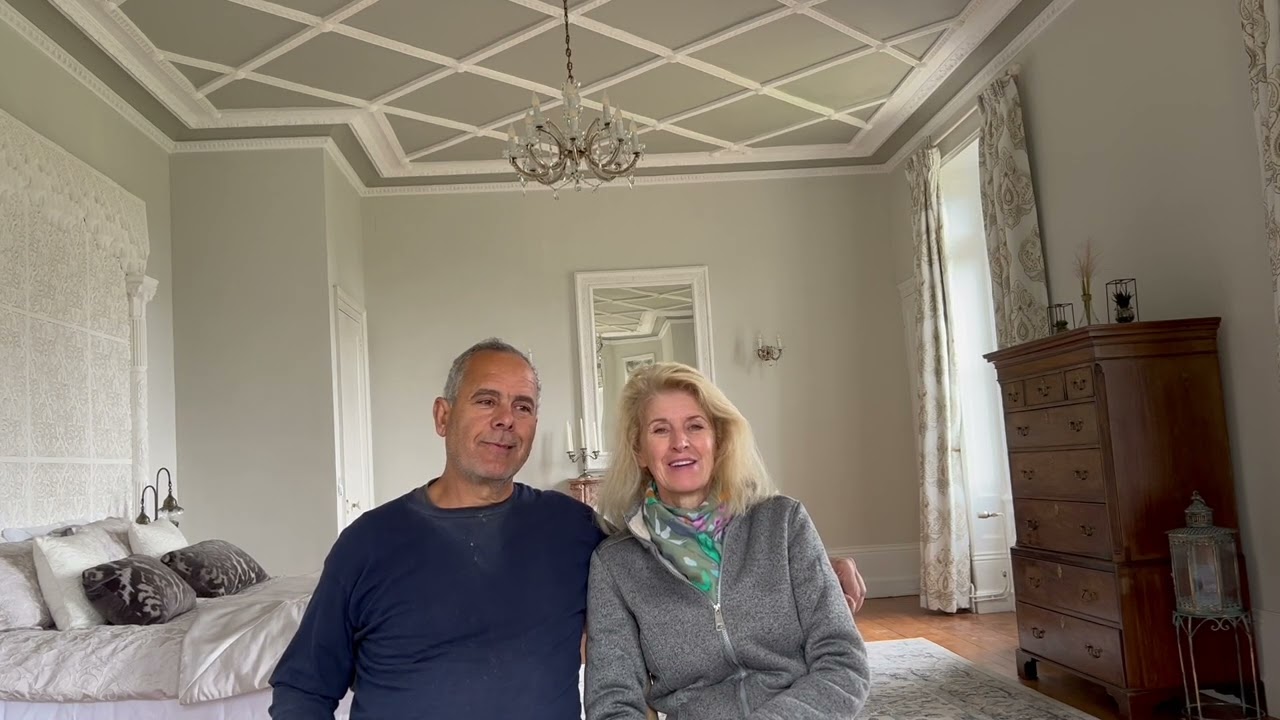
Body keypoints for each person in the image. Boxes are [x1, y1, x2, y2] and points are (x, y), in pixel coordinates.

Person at [269, 339, 868, 719]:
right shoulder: (370, 541)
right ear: (443, 415)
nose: (506, 420)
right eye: (486, 401)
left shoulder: (572, 529)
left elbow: (683, 552)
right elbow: (303, 689)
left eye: (524, 406)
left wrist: (819, 564)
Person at [584, 362, 871, 720]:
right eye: (660, 430)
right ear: (639, 451)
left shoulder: (784, 522)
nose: (680, 442)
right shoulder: (615, 564)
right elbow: (612, 700)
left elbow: (844, 662)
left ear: (718, 440)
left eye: (695, 426)